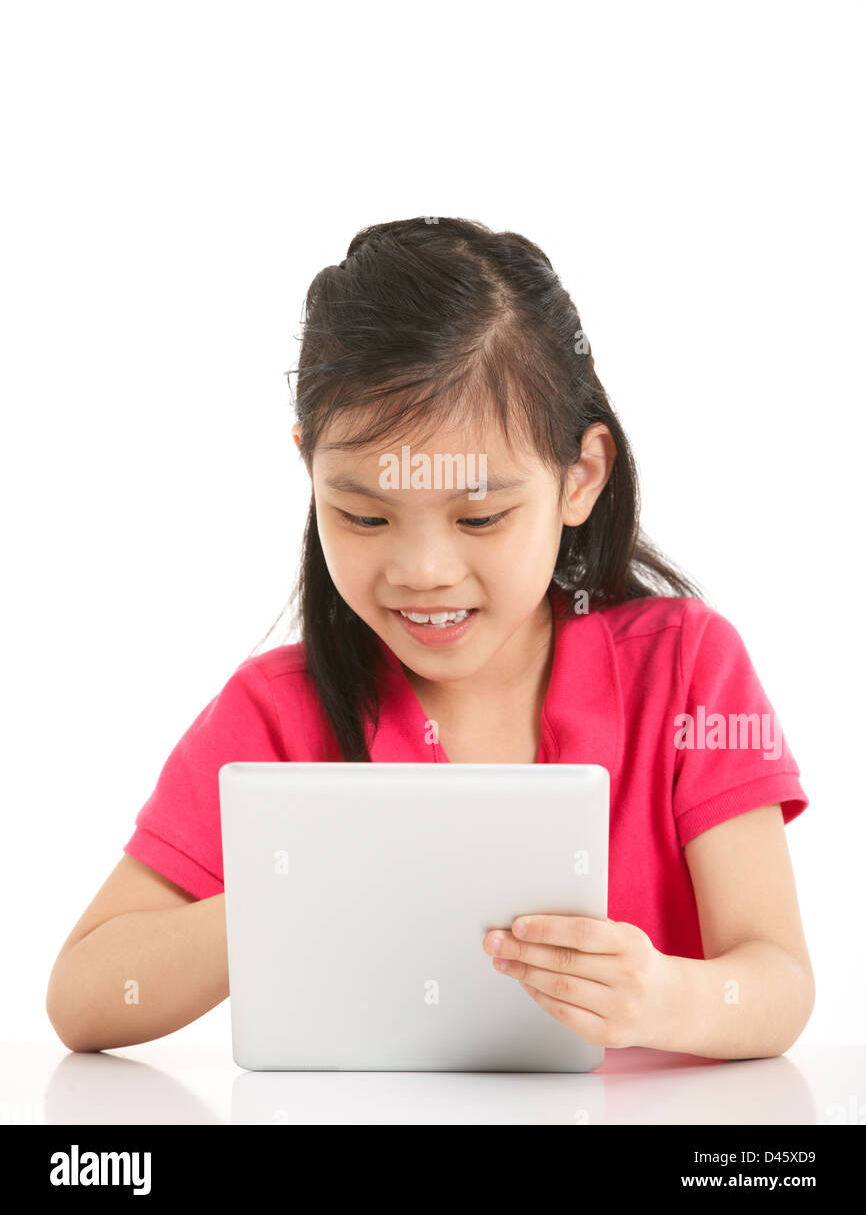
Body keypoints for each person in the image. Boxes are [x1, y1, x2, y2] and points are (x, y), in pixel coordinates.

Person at [45, 216, 814, 1059]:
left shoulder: (687, 669)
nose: (422, 569)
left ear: (578, 478)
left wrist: (665, 999)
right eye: (363, 514)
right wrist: (284, 898)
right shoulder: (275, 713)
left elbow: (775, 982)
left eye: (479, 515)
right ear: (310, 469)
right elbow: (85, 996)